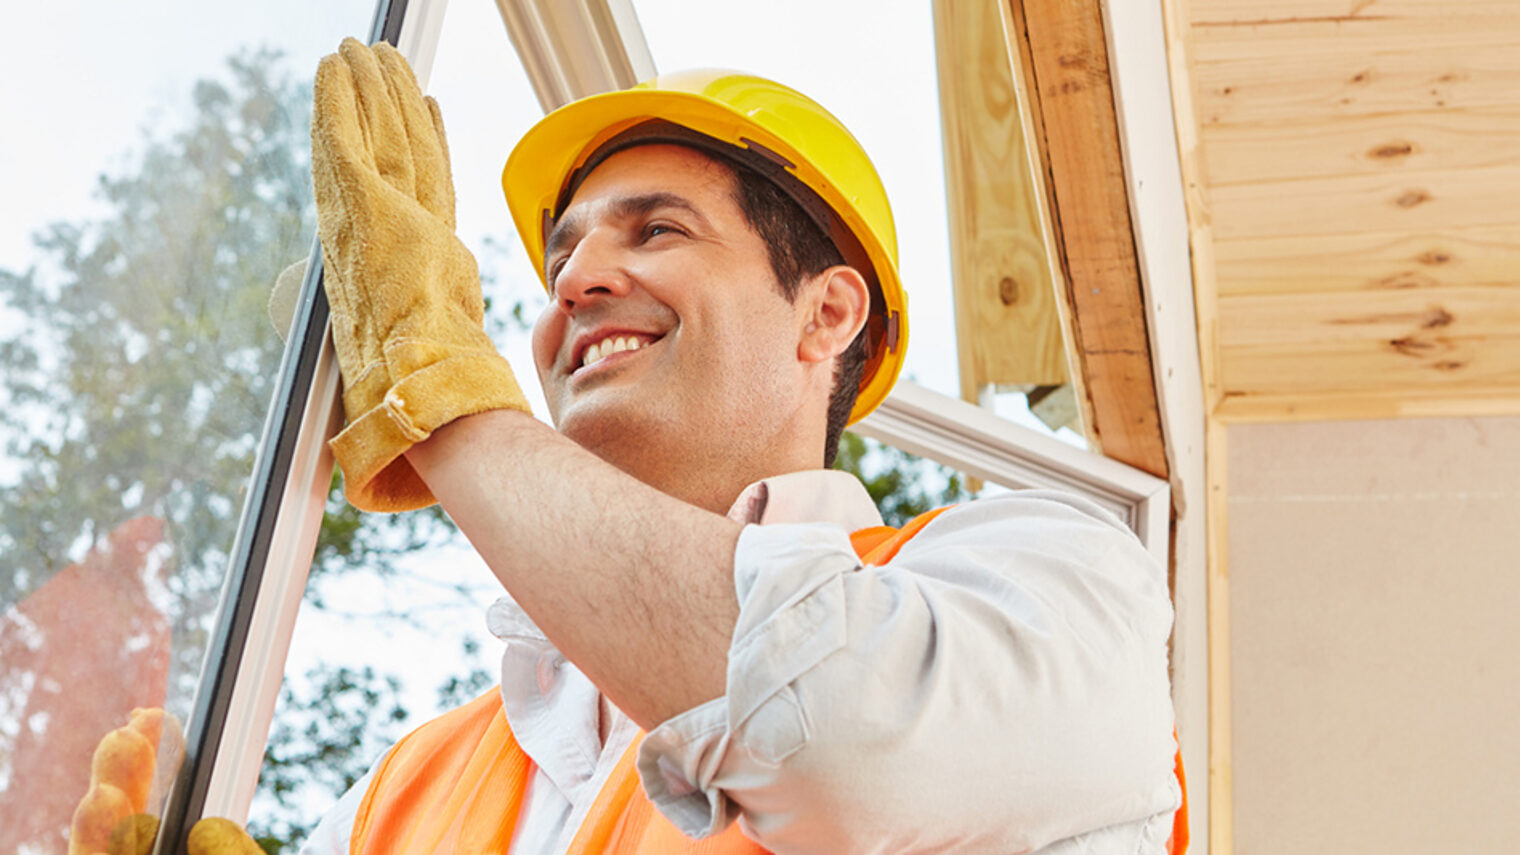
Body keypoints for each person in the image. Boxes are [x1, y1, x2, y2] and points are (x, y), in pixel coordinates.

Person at [293, 38, 1183, 854]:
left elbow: (832, 728)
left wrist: (441, 396)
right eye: (561, 258)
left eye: (657, 230)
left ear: (827, 313)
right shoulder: (398, 796)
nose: (574, 282)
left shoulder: (1058, 589)